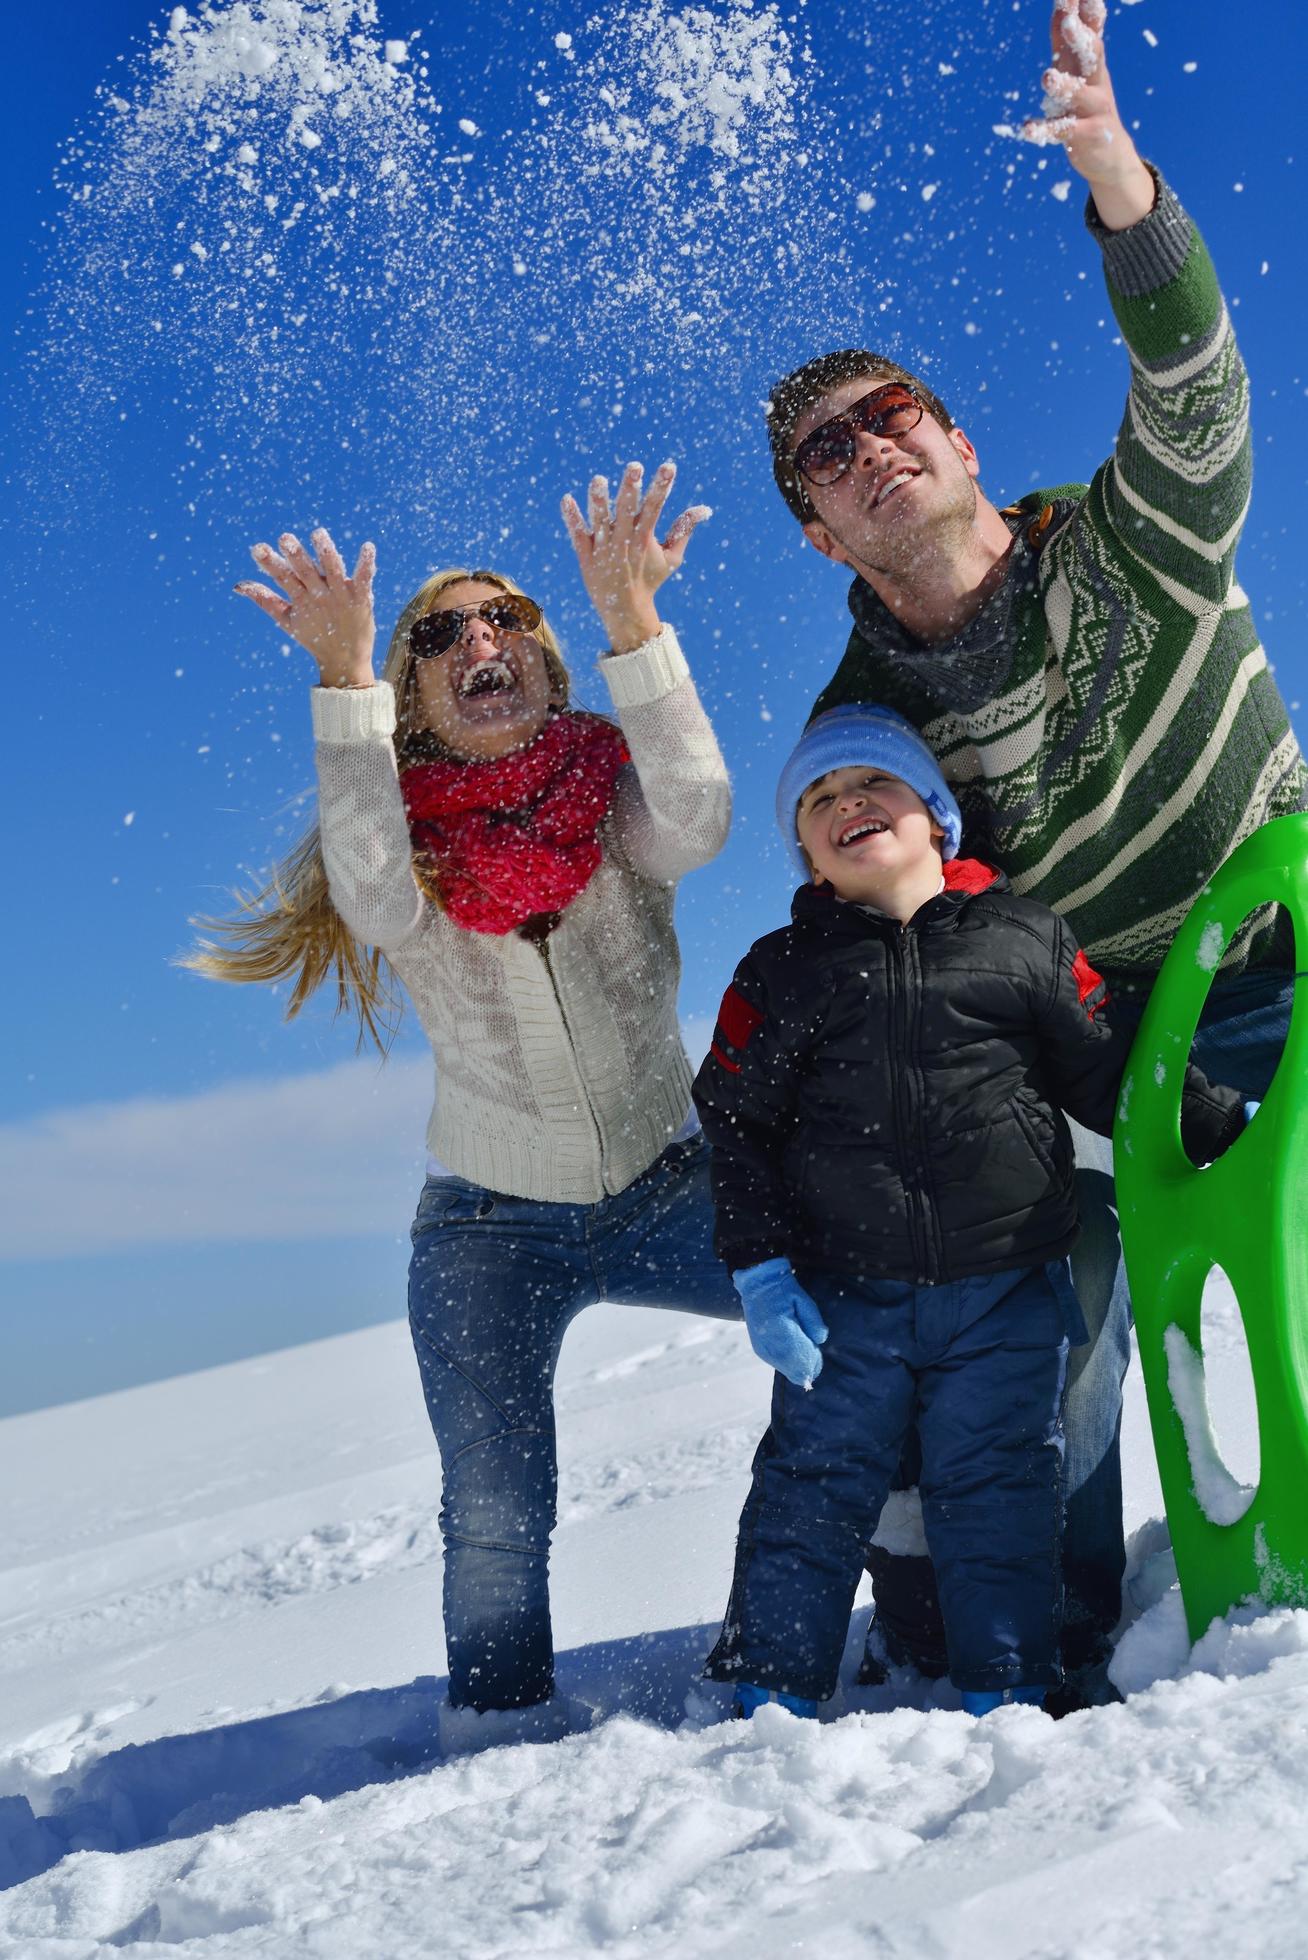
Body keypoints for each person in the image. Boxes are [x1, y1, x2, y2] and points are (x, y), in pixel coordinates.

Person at [759, 0, 1304, 1702]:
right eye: (824, 454)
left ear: (956, 434)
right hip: (1100, 1047)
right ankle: (1023, 1650)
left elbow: (1192, 386)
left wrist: (1117, 183)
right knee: (1005, 1310)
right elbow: (878, 948)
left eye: (889, 410)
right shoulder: (867, 730)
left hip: (1286, 941)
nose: (868, 447)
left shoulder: (1128, 543)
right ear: (813, 527)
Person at [187, 460, 741, 1725]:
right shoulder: (407, 844)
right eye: (440, 634)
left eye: (507, 620)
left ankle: (848, 1610)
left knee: (851, 1335)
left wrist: (635, 626)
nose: (480, 639)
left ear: (546, 661)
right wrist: (342, 677)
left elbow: (702, 818)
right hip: (490, 1229)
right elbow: (372, 895)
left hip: (673, 1183)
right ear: (421, 699)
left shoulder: (617, 803)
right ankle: (499, 1734)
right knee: (496, 1502)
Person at [692, 705, 1248, 1717]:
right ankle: (766, 1692)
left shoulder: (1023, 939)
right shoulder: (780, 973)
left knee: (998, 1491)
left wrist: (1226, 1124)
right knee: (811, 1483)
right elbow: (735, 1123)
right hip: (845, 1299)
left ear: (937, 817)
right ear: (810, 858)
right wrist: (763, 1268)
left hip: (1007, 1290)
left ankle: (1009, 1690)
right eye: (817, 800)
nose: (845, 802)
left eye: (872, 783)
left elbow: (1111, 1072)